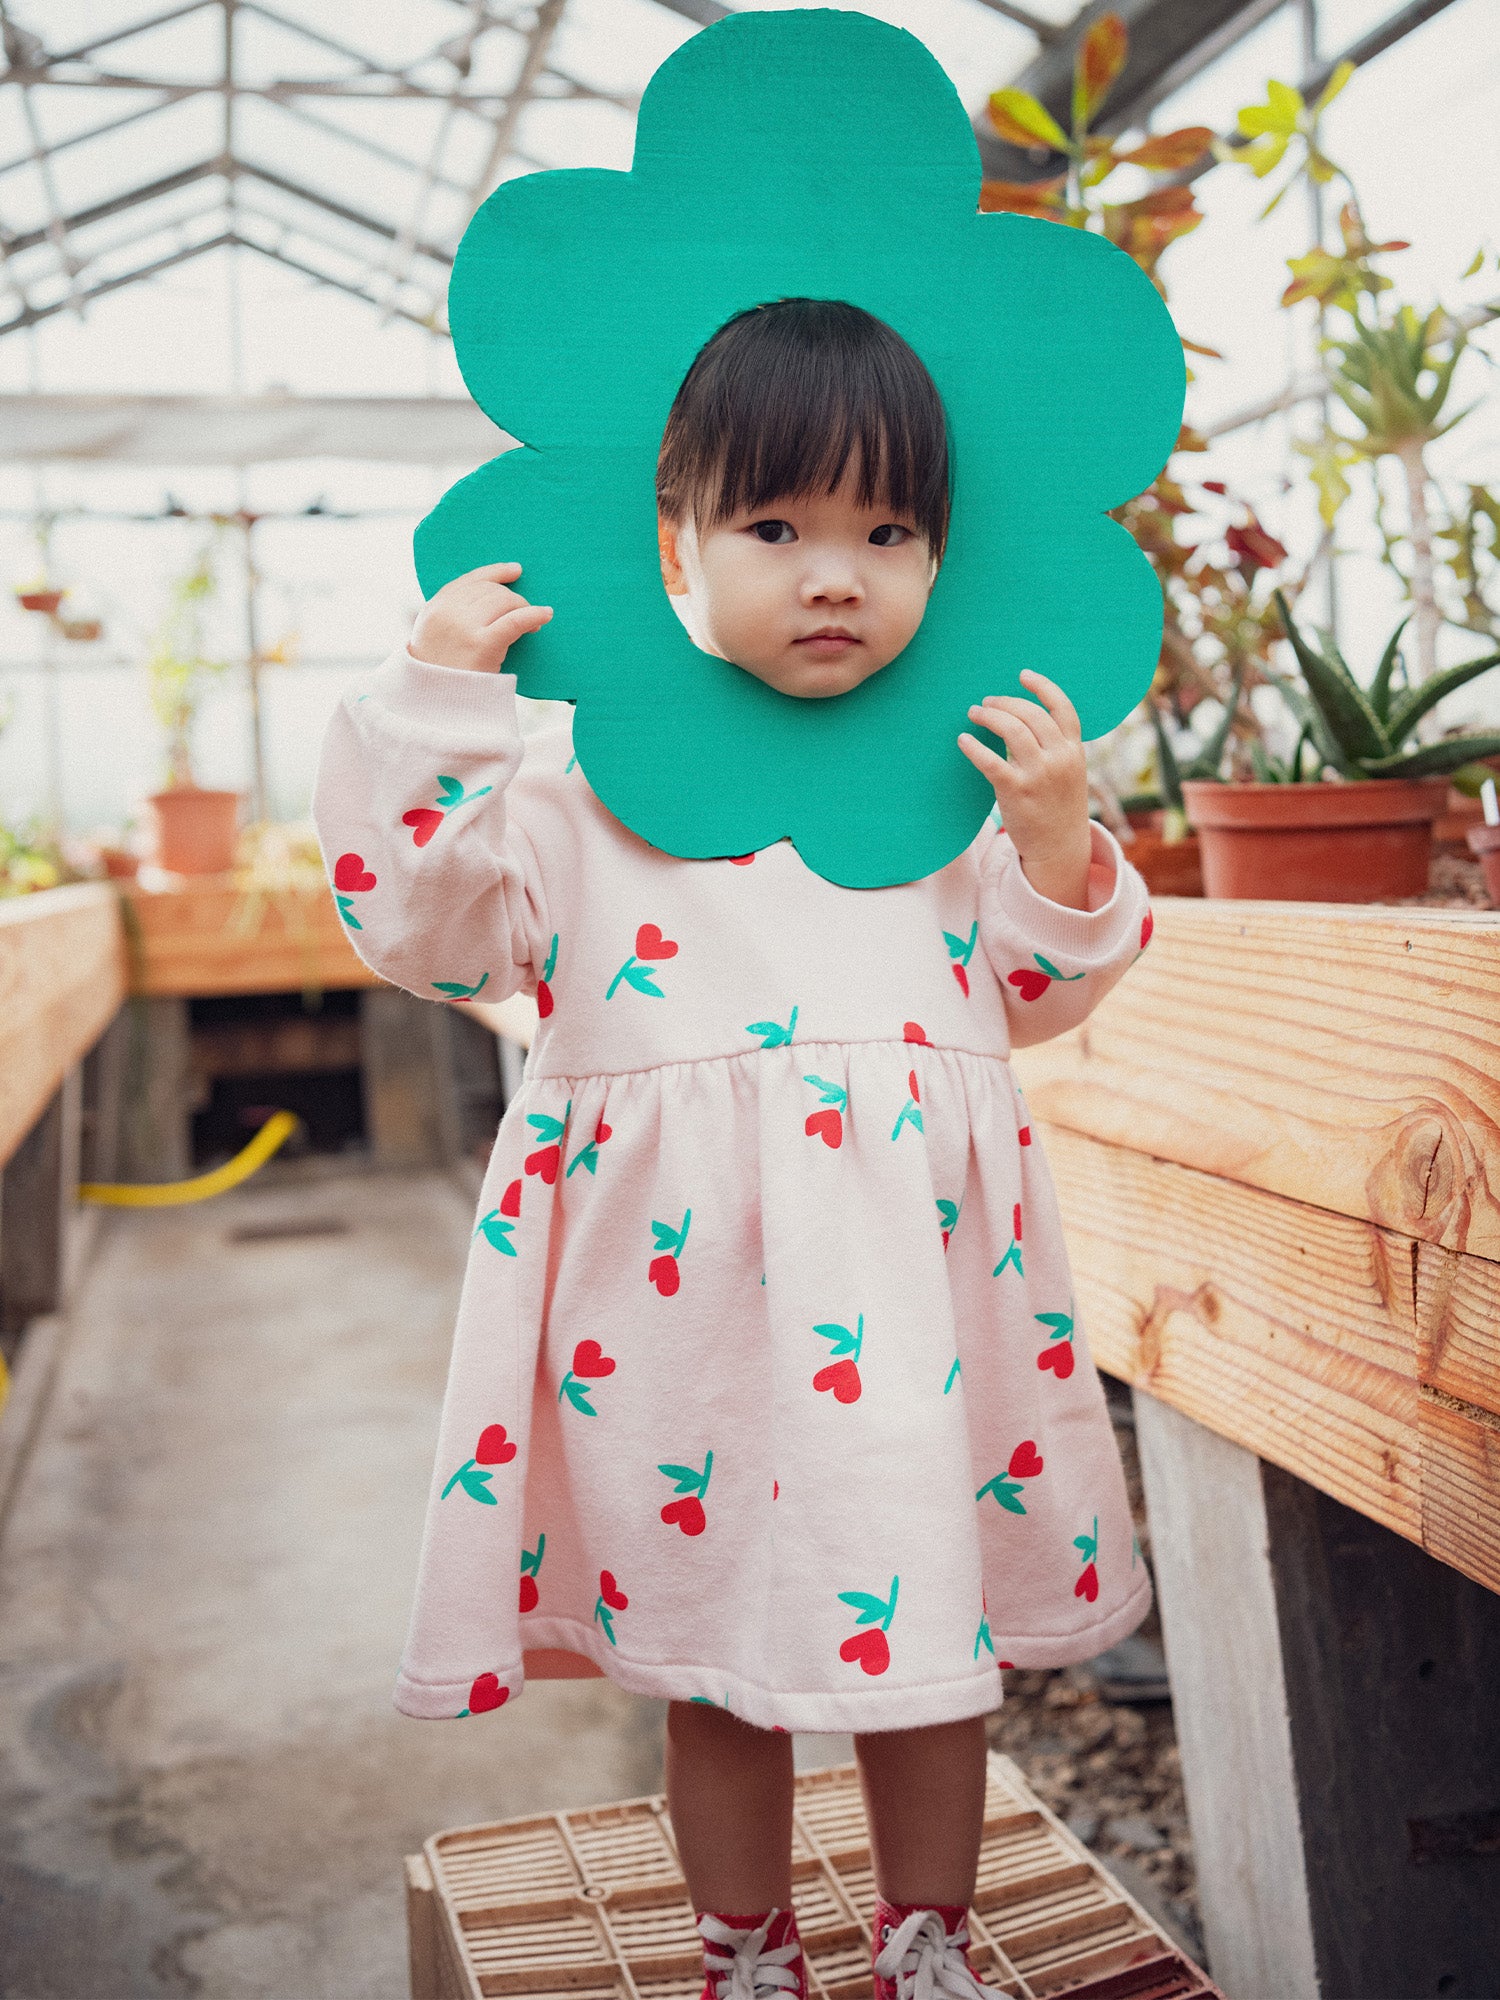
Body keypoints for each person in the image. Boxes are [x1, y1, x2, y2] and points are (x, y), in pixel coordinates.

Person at [313, 298, 1155, 2000]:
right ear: (671, 537)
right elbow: (428, 938)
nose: (833, 574)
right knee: (713, 1658)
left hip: (912, 1321)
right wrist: (436, 710)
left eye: (886, 529)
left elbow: (1040, 992)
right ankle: (742, 1949)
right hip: (678, 1320)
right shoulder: (570, 781)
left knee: (934, 1652)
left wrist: (1059, 839)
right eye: (776, 526)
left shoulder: (954, 783)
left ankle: (927, 1944)